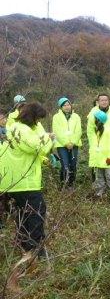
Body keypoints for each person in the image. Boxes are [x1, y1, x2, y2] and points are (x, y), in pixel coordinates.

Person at [0, 103, 54, 256]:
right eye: (38, 119)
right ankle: (36, 250)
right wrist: (47, 136)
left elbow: (25, 152)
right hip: (25, 182)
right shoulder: (22, 129)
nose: (39, 122)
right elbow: (39, 146)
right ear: (32, 117)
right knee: (36, 214)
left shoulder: (12, 128)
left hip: (12, 182)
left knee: (21, 216)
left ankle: (26, 248)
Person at [87, 94, 110, 185]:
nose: (104, 102)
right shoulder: (93, 112)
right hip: (98, 145)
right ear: (98, 102)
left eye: (106, 100)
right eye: (102, 100)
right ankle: (98, 185)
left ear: (109, 101)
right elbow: (90, 130)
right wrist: (94, 143)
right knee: (97, 166)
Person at [89, 110, 110, 197]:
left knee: (109, 175)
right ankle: (100, 191)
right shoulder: (96, 131)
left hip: (107, 158)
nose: (94, 120)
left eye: (95, 119)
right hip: (99, 158)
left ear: (99, 120)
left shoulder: (109, 131)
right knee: (99, 176)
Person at [52, 97, 82, 190]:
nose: (67, 107)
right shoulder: (56, 117)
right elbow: (57, 131)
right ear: (61, 107)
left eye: (68, 104)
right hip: (62, 145)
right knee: (65, 165)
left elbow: (78, 131)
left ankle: (71, 184)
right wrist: (66, 143)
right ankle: (64, 184)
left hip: (74, 144)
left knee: (73, 165)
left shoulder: (76, 116)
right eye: (64, 105)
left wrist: (72, 142)